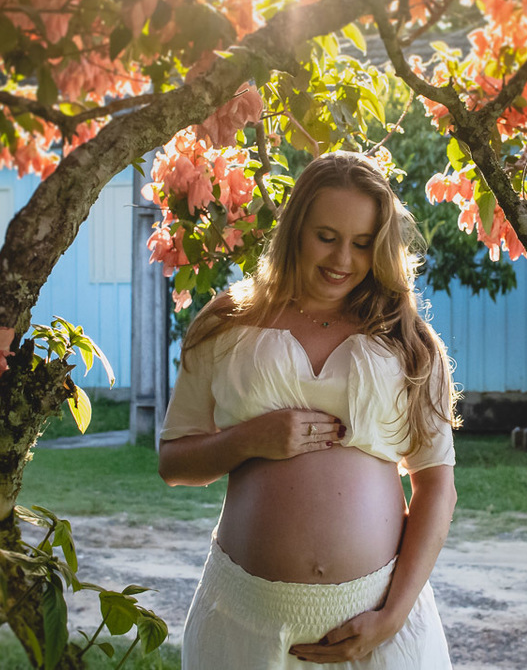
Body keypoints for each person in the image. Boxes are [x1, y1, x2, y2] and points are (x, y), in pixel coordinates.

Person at [158, 150, 459, 668]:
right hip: (244, 619)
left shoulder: (406, 339)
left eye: (362, 244)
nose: (343, 260)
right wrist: (248, 440)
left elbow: (436, 485)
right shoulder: (228, 321)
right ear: (295, 228)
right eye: (326, 236)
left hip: (376, 624)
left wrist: (391, 616)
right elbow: (173, 463)